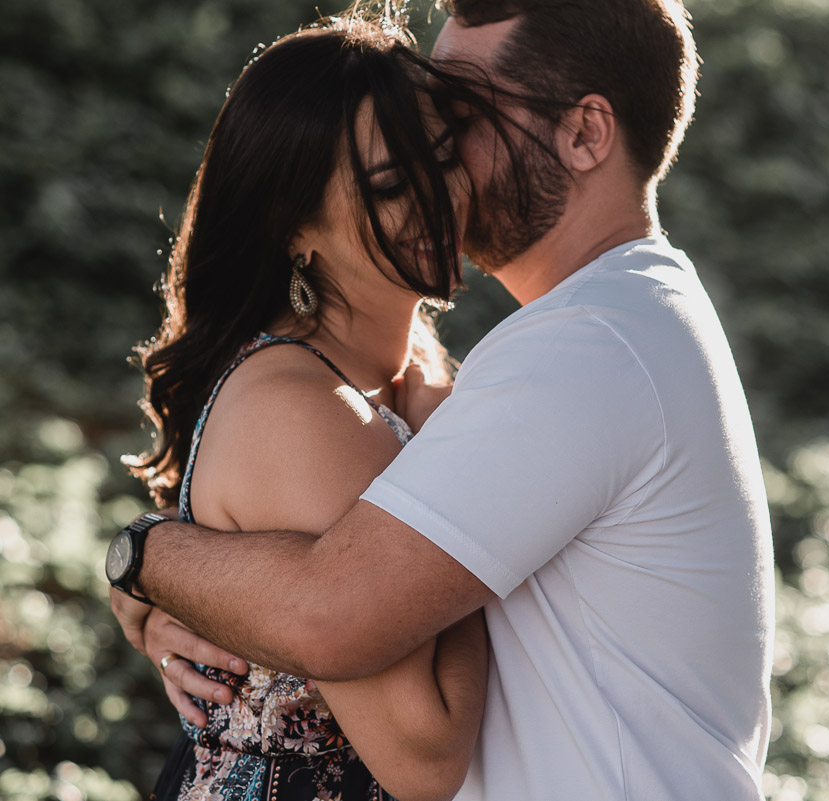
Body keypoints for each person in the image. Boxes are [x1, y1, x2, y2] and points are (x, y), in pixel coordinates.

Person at [112, 1, 775, 799]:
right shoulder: (614, 326)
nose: (440, 163)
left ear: (586, 133)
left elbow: (330, 613)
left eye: (464, 114)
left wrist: (149, 555)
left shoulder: (588, 347)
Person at [119, 13, 491, 801]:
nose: (440, 196)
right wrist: (452, 461)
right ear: (295, 228)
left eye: (446, 156)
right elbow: (426, 756)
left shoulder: (407, 363)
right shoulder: (304, 410)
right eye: (391, 184)